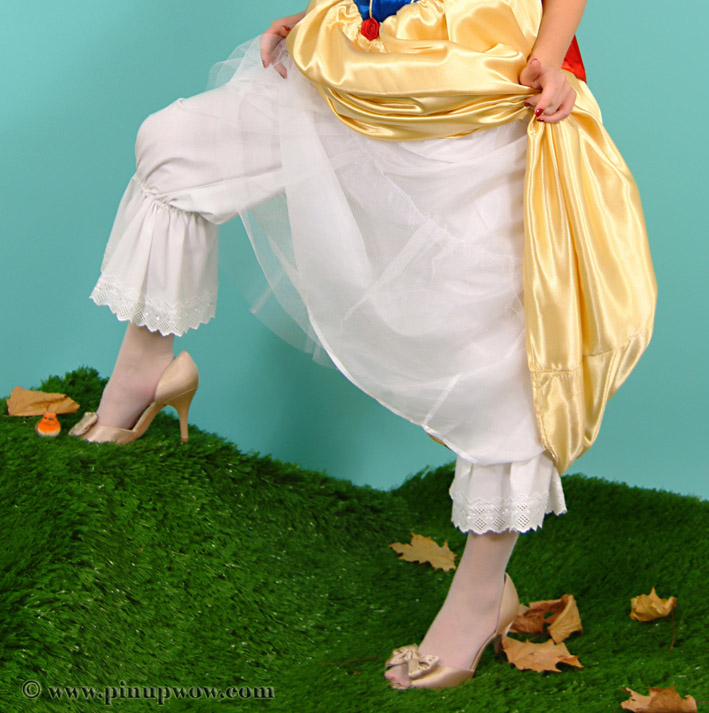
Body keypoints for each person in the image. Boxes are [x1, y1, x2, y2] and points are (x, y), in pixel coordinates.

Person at [69, 0, 656, 691]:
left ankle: (480, 594)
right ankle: (143, 375)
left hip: (480, 72)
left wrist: (550, 59)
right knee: (177, 144)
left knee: (498, 344)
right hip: (359, 51)